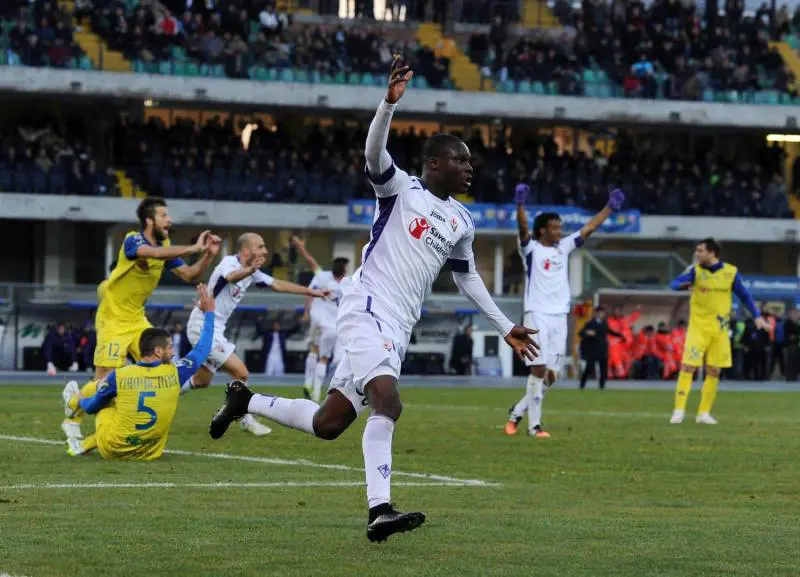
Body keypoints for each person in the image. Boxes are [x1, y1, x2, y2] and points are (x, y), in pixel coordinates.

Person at [207, 56, 538, 543]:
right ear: (434, 163)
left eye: (470, 161)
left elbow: (468, 280)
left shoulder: (462, 222)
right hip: (366, 307)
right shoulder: (400, 190)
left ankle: (245, 401)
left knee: (329, 422)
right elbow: (373, 154)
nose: (470, 167)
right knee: (389, 402)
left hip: (397, 328)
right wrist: (388, 104)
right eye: (460, 159)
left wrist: (504, 325)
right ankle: (379, 510)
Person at [61, 197, 220, 441]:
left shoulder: (165, 244)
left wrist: (208, 255)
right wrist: (192, 248)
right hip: (113, 317)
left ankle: (140, 418)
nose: (170, 220)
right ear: (149, 220)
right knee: (103, 378)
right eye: (164, 216)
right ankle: (73, 411)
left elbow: (189, 274)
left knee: (164, 364)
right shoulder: (133, 240)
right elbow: (153, 253)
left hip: (136, 319)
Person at [505, 183, 625, 437]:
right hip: (536, 314)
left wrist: (609, 208)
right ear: (543, 230)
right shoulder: (530, 249)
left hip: (560, 316)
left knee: (551, 377)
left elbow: (589, 228)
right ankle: (534, 427)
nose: (560, 231)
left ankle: (517, 411)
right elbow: (523, 228)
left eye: (560, 227)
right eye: (555, 227)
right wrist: (520, 205)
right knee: (537, 369)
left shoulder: (564, 247)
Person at [183, 232, 328, 436]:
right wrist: (251, 269)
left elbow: (277, 284)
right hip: (202, 325)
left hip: (215, 329)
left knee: (201, 380)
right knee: (241, 373)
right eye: (260, 246)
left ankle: (163, 393)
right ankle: (246, 419)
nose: (265, 250)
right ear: (245, 250)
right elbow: (231, 277)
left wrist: (312, 292)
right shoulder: (230, 263)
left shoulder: (251, 272)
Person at [61, 284, 216, 460]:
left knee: (104, 393)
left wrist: (83, 401)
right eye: (170, 348)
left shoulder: (120, 375)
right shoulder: (176, 372)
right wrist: (209, 313)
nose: (173, 352)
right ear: (158, 351)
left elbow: (91, 408)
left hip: (113, 449)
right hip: (149, 452)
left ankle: (74, 405)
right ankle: (82, 440)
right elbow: (203, 348)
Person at [669, 238, 768, 425]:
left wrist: (757, 316)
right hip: (698, 328)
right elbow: (674, 284)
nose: (697, 254)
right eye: (696, 251)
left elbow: (745, 296)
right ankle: (679, 410)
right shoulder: (694, 270)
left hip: (720, 329)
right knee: (689, 366)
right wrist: (684, 283)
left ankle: (703, 413)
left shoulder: (730, 272)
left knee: (714, 370)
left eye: (700, 251)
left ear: (712, 253)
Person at [291, 235, 348, 402]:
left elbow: (311, 262)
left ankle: (308, 382)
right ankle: (316, 392)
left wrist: (301, 247)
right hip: (333, 326)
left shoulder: (322, 277)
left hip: (317, 320)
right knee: (324, 358)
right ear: (344, 270)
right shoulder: (346, 285)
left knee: (313, 351)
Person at [578, 307, 621, 389]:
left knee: (603, 370)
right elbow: (580, 333)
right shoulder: (590, 323)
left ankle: (602, 387)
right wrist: (587, 332)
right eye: (600, 313)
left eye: (603, 313)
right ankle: (582, 385)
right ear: (596, 313)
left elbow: (609, 331)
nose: (602, 314)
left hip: (602, 350)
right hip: (592, 350)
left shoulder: (604, 323)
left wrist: (620, 335)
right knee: (589, 369)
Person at [608, 306, 640, 378]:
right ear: (612, 312)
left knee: (626, 359)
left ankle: (622, 373)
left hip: (624, 346)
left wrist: (637, 311)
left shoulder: (624, 320)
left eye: (618, 311)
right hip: (613, 344)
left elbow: (632, 319)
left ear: (620, 312)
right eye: (615, 311)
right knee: (612, 356)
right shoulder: (609, 320)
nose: (616, 312)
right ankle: (616, 373)